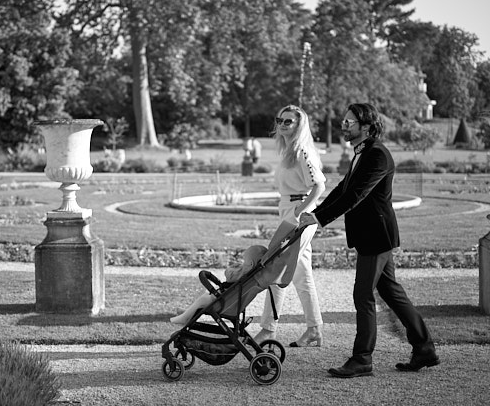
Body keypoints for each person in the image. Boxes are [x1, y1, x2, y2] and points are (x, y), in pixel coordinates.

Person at [299, 103, 440, 378]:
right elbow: (343, 189)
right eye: (344, 120)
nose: (344, 125)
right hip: (373, 236)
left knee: (362, 294)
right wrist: (316, 212)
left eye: (350, 122)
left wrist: (320, 219)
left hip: (377, 236)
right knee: (391, 293)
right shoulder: (361, 153)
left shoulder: (377, 156)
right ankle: (424, 349)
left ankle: (362, 358)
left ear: (366, 126)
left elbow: (356, 196)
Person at [253, 104, 326, 348]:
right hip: (289, 212)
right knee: (302, 275)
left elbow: (319, 186)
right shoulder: (288, 151)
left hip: (298, 216)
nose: (282, 124)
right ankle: (314, 329)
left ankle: (267, 330)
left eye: (288, 122)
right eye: (280, 120)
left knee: (277, 268)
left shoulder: (302, 151)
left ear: (299, 125)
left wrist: (300, 210)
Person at [170, 219, 301, 326]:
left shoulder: (243, 273)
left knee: (204, 299)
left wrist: (234, 267)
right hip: (229, 299)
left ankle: (185, 318)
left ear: (250, 264)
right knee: (202, 300)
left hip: (224, 303)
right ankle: (188, 313)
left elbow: (228, 275)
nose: (242, 262)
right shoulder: (253, 275)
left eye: (245, 260)